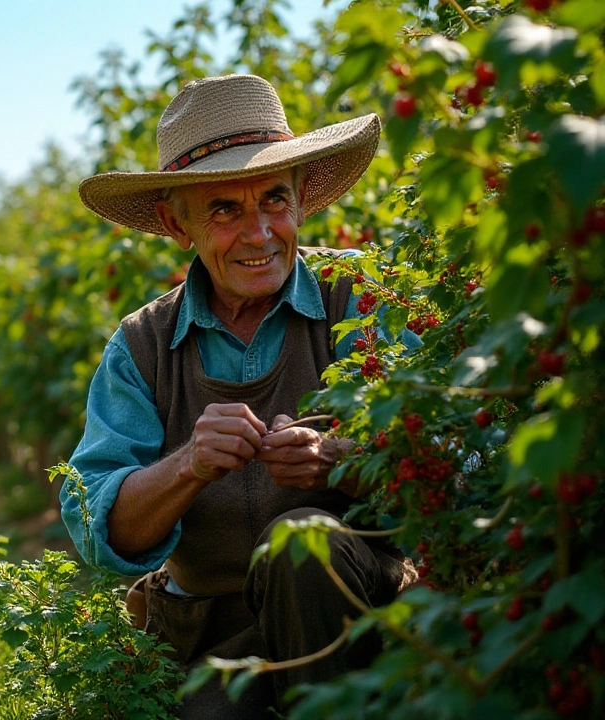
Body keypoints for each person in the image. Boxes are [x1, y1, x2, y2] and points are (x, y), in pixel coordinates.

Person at [63, 74, 416, 717]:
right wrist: (187, 466)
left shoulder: (364, 299)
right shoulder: (143, 345)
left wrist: (346, 460)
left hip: (369, 621)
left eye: (274, 201)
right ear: (177, 223)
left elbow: (456, 455)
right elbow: (97, 525)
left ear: (303, 198)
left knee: (303, 538)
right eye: (224, 209)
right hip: (218, 639)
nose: (258, 233)